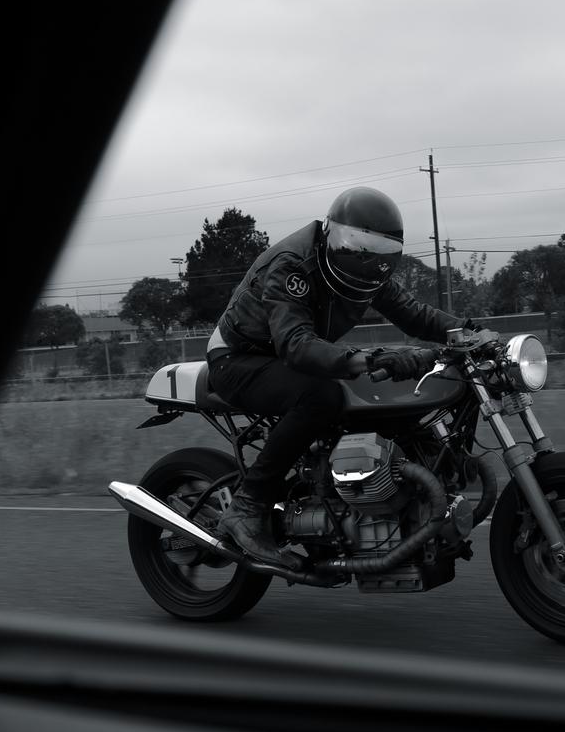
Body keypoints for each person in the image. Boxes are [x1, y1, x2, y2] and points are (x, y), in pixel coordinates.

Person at [204, 186, 478, 569]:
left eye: (380, 252)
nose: (366, 257)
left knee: (388, 398)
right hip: (238, 358)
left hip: (287, 357)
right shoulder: (293, 265)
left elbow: (413, 313)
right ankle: (247, 507)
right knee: (320, 397)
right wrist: (366, 359)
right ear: (332, 232)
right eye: (356, 245)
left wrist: (469, 332)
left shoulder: (366, 272)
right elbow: (296, 344)